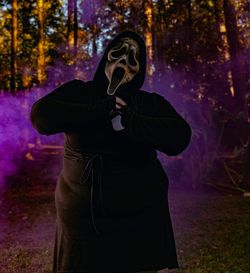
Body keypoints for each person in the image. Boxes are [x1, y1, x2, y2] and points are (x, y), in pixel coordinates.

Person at [30, 30, 191, 273]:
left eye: (134, 56)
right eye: (120, 51)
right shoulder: (79, 92)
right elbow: (41, 116)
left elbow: (179, 137)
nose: (125, 60)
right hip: (83, 220)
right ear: (107, 56)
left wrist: (130, 121)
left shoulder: (149, 103)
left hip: (140, 220)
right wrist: (100, 109)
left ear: (140, 69)